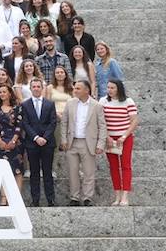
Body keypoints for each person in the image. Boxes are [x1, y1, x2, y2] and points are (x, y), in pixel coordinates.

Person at [63, 78, 109, 207]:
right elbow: (64, 123)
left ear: (86, 90)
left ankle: (88, 197)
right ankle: (74, 197)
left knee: (89, 172)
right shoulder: (70, 103)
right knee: (73, 172)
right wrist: (64, 140)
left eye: (78, 88)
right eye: (74, 88)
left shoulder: (97, 105)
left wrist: (100, 144)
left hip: (88, 143)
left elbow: (102, 126)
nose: (75, 90)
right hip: (72, 142)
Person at [20, 77, 59, 207]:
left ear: (42, 88)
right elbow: (25, 123)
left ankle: (50, 199)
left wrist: (45, 138)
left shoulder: (50, 104)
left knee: (47, 172)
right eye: (34, 87)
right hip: (32, 143)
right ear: (30, 89)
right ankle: (35, 199)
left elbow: (53, 122)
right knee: (34, 173)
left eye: (38, 86)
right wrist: (36, 137)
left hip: (47, 143)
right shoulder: (25, 105)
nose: (36, 89)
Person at [102, 79, 139, 206]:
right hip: (109, 138)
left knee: (125, 165)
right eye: (108, 88)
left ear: (119, 88)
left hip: (125, 137)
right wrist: (107, 136)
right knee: (113, 167)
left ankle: (125, 196)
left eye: (112, 88)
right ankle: (117, 195)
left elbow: (134, 121)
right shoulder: (103, 101)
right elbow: (101, 121)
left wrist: (124, 136)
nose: (109, 90)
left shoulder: (128, 101)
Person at [0, 84, 25, 202]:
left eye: (4, 92)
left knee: (17, 170)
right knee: (2, 171)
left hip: (16, 143)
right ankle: (4, 198)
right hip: (0, 143)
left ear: (10, 93)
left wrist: (14, 140)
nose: (2, 94)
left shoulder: (18, 108)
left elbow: (19, 125)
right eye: (0, 92)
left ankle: (16, 199)